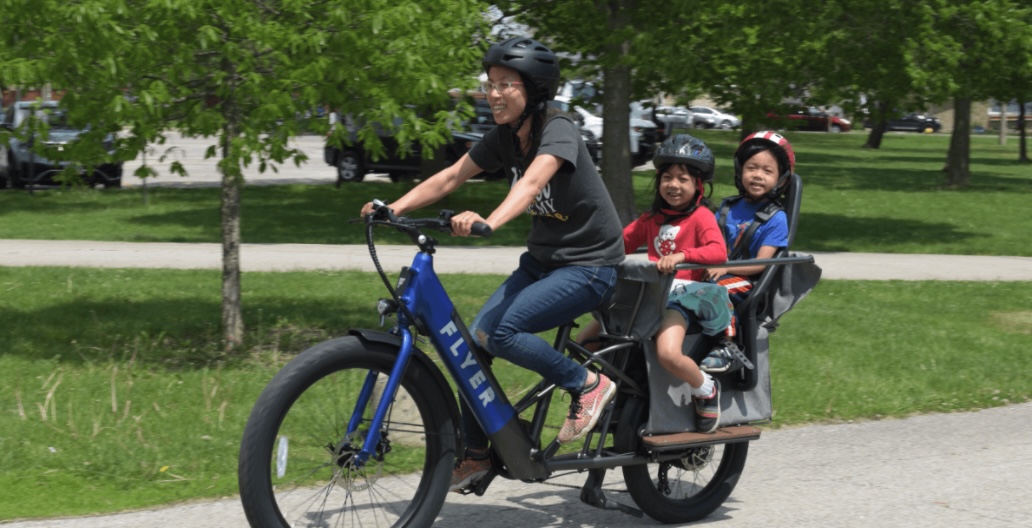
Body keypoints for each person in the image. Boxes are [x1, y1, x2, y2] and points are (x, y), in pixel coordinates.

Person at [359, 37, 625, 491]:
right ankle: (479, 452)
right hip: (543, 262)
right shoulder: (505, 136)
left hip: (591, 266)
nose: (493, 93)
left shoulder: (558, 128)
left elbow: (534, 180)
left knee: (500, 332)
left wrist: (491, 220)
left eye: (506, 84)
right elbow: (450, 176)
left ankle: (585, 384)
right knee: (474, 344)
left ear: (534, 91)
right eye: (490, 84)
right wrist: (392, 208)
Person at [699, 131, 795, 373]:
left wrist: (724, 268)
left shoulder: (776, 218)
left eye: (767, 171)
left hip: (749, 284)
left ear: (781, 179)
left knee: (716, 291)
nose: (758, 175)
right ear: (740, 169)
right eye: (752, 167)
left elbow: (761, 264)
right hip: (716, 273)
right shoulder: (727, 207)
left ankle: (727, 347)